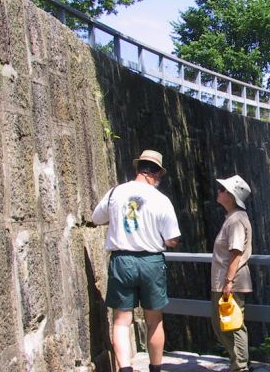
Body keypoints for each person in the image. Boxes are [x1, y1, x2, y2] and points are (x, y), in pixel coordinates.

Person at [91, 149, 181, 372]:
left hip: (122, 260)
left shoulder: (115, 193)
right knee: (154, 320)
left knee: (121, 321)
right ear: (156, 173)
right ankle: (156, 369)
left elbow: (96, 218)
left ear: (138, 168)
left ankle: (125, 369)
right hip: (151, 261)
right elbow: (172, 239)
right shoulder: (161, 200)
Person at [210, 175, 253, 372]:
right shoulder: (232, 218)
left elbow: (236, 252)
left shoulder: (236, 220)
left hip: (231, 282)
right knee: (222, 325)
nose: (219, 191)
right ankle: (238, 364)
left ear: (232, 196)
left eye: (223, 189)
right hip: (225, 281)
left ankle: (240, 367)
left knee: (232, 326)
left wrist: (228, 281)